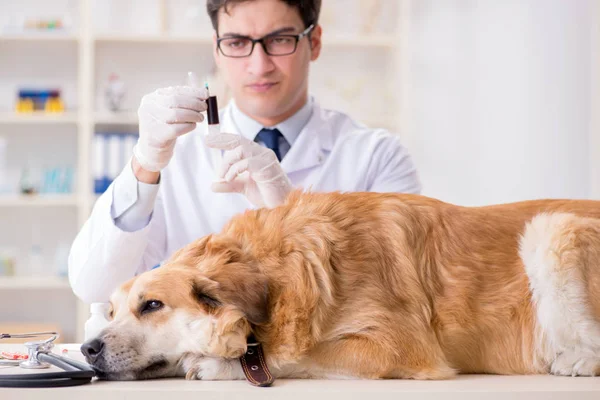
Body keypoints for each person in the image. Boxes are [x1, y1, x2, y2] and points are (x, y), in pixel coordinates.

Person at [68, 0, 422, 303]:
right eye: (237, 42)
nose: (259, 65)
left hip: (331, 377)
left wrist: (290, 214)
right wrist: (143, 165)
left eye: (279, 40)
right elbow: (94, 286)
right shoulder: (176, 158)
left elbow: (400, 294)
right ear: (216, 50)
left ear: (314, 42)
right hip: (197, 378)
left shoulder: (377, 157)